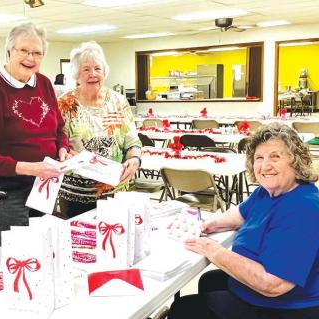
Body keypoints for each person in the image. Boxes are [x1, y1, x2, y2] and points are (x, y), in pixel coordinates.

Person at [168, 123, 319, 319]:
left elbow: (273, 284)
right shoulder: (266, 193)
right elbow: (240, 214)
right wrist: (210, 223)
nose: (265, 166)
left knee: (184, 309)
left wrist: (212, 249)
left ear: (296, 161)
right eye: (259, 158)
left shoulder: (303, 208)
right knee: (209, 281)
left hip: (284, 306)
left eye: (276, 156)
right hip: (263, 293)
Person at [0, 22, 71, 239]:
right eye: (24, 51)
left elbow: (59, 129)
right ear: (8, 52)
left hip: (45, 186)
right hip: (8, 191)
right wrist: (31, 168)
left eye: (37, 53)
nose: (31, 58)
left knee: (44, 246)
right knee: (17, 252)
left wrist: (62, 148)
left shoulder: (44, 84)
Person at [57, 41, 142, 218]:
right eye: (86, 69)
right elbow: (56, 144)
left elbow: (132, 141)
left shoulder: (118, 102)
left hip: (115, 192)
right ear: (76, 74)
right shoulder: (64, 104)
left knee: (114, 241)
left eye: (98, 68)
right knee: (78, 243)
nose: (93, 74)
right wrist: (63, 152)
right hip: (75, 195)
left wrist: (134, 159)